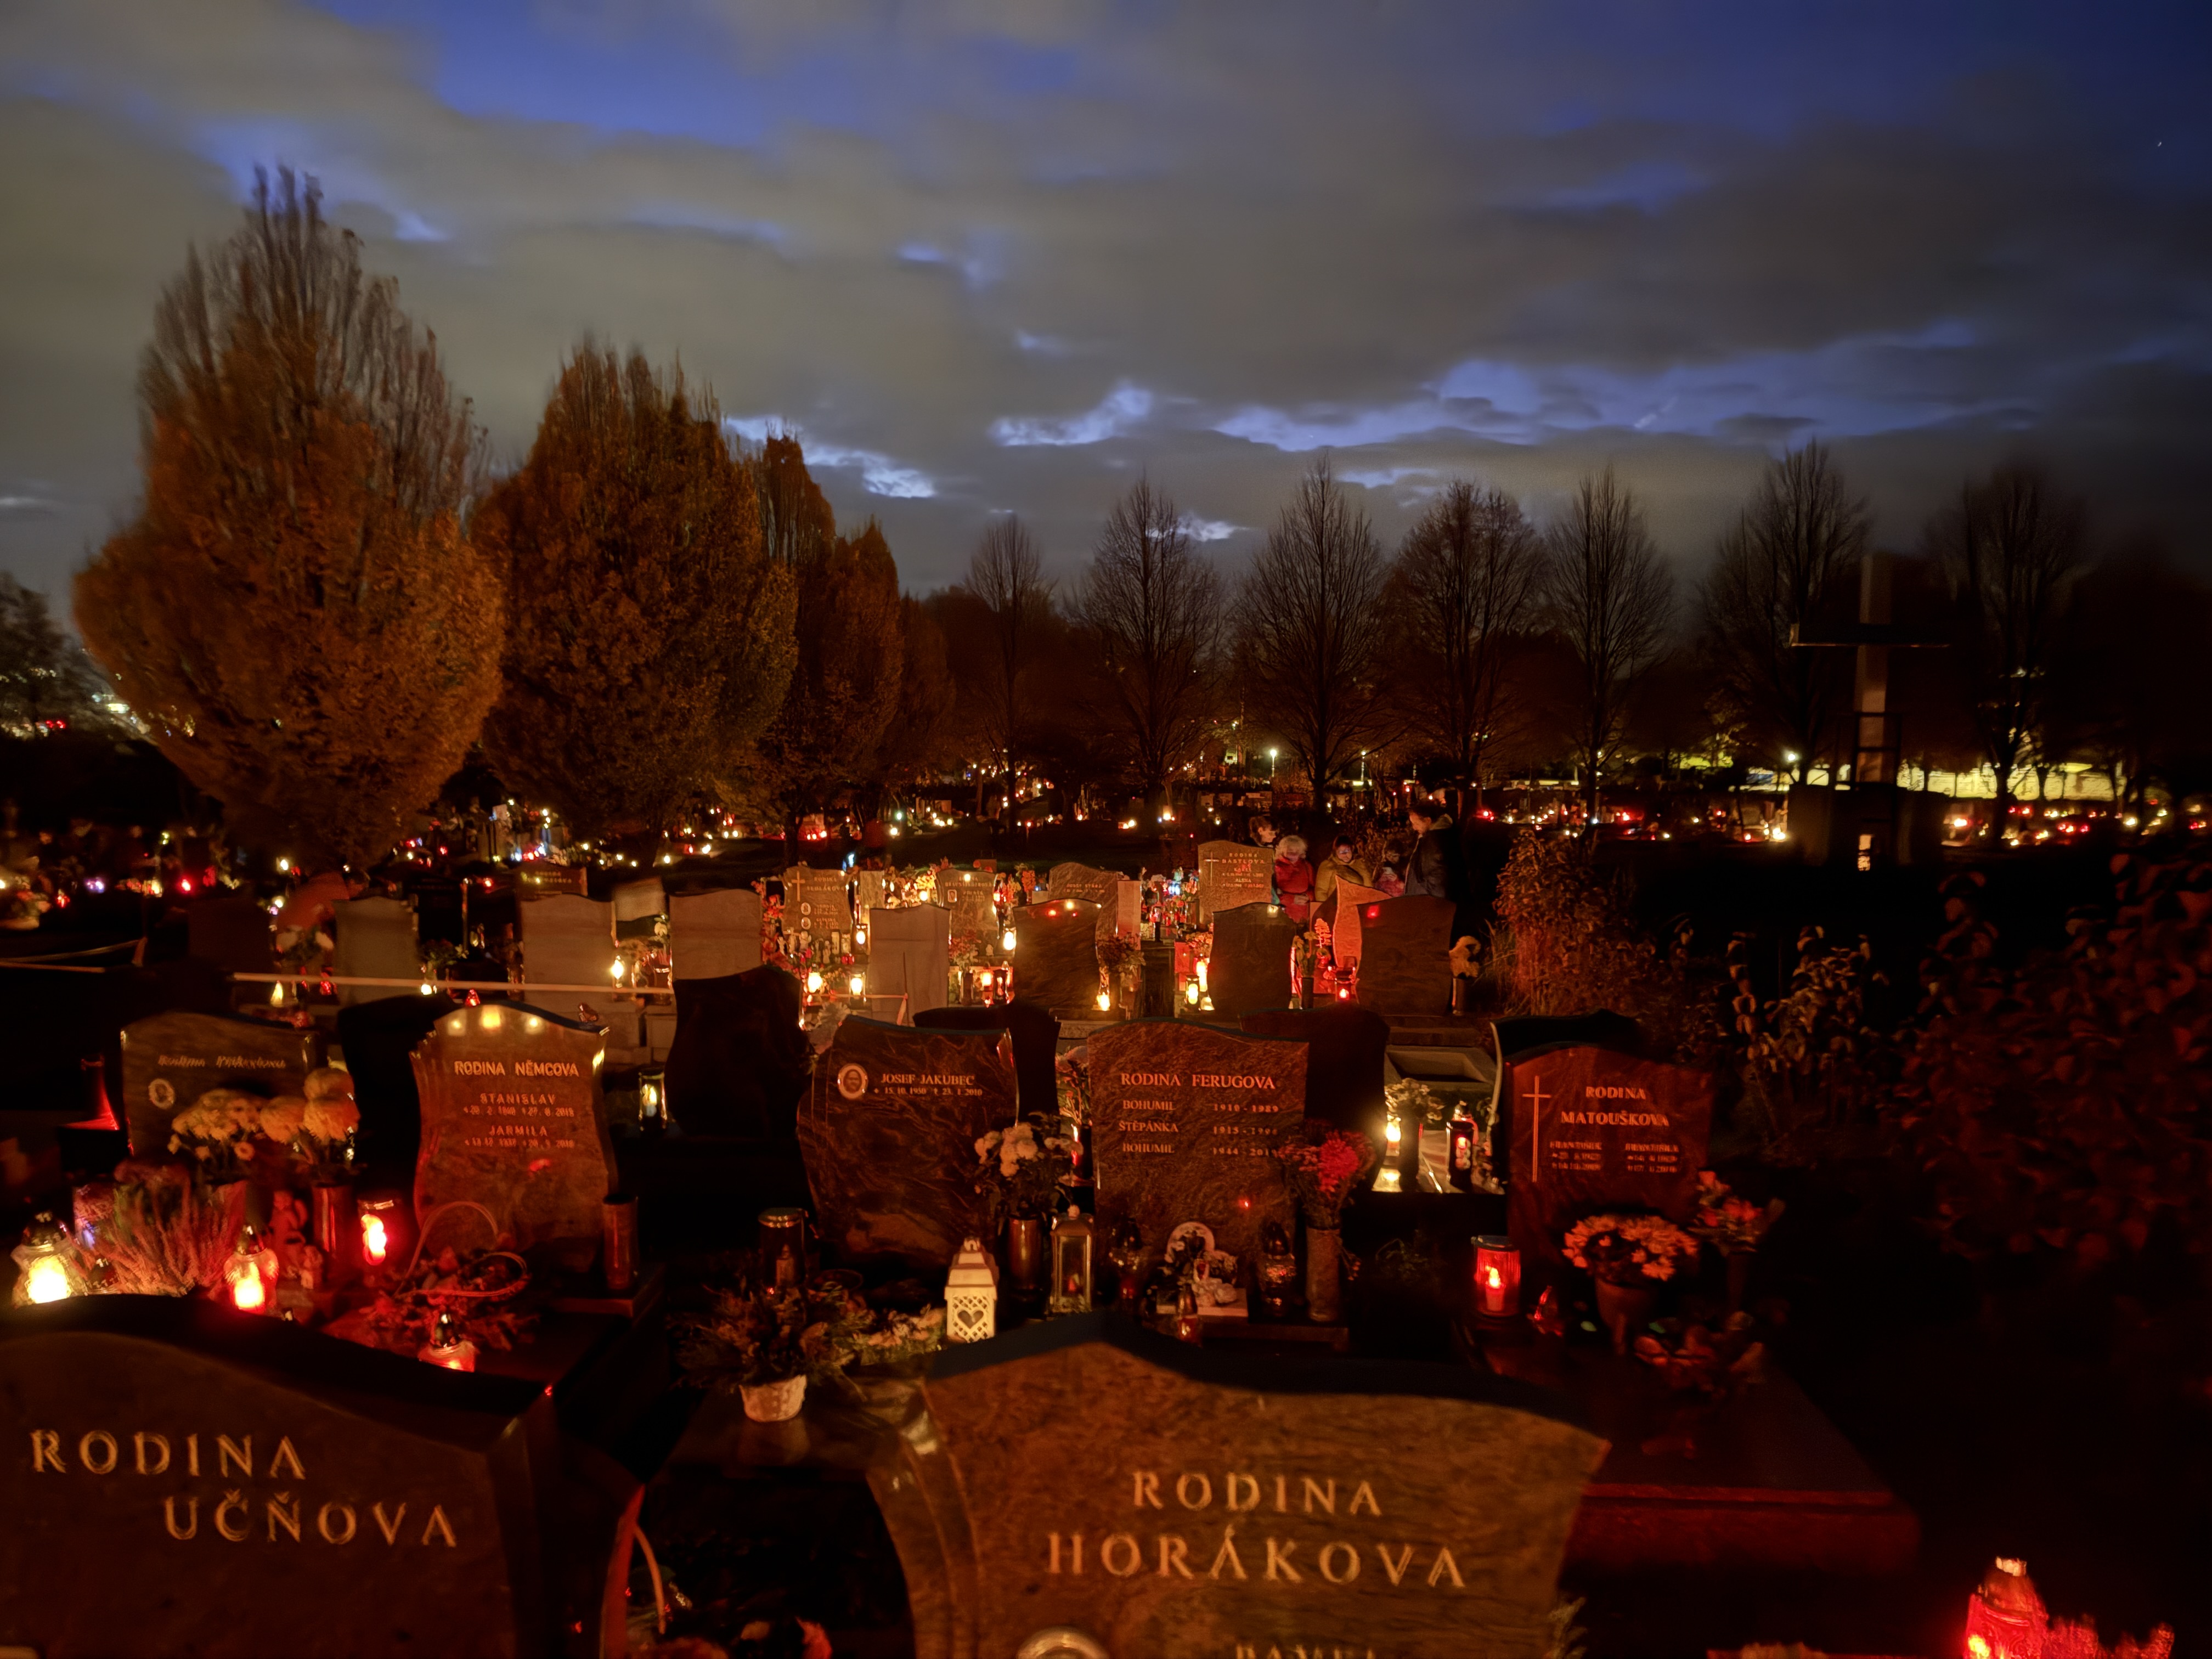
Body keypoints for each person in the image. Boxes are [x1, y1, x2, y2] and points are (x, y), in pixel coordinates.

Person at [1402, 798, 1466, 904]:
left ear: (1428, 821)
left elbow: (1437, 880)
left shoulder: (1434, 841)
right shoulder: (1437, 836)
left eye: (1416, 823)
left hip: (1429, 903)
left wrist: (1422, 898)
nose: (1414, 828)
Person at [1312, 833, 1371, 909]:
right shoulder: (1328, 866)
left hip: (1356, 907)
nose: (1345, 855)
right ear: (1335, 852)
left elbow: (1368, 889)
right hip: (1335, 908)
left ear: (1352, 849)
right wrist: (1326, 909)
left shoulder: (1360, 865)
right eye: (1341, 852)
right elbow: (1321, 891)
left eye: (1347, 851)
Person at [1271, 834, 1315, 920]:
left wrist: (1308, 896)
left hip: (1303, 913)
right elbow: (1269, 892)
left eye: (1297, 850)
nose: (1294, 853)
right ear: (1282, 850)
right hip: (1282, 912)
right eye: (1290, 850)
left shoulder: (1307, 866)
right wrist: (1291, 899)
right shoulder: (1275, 867)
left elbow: (1314, 887)